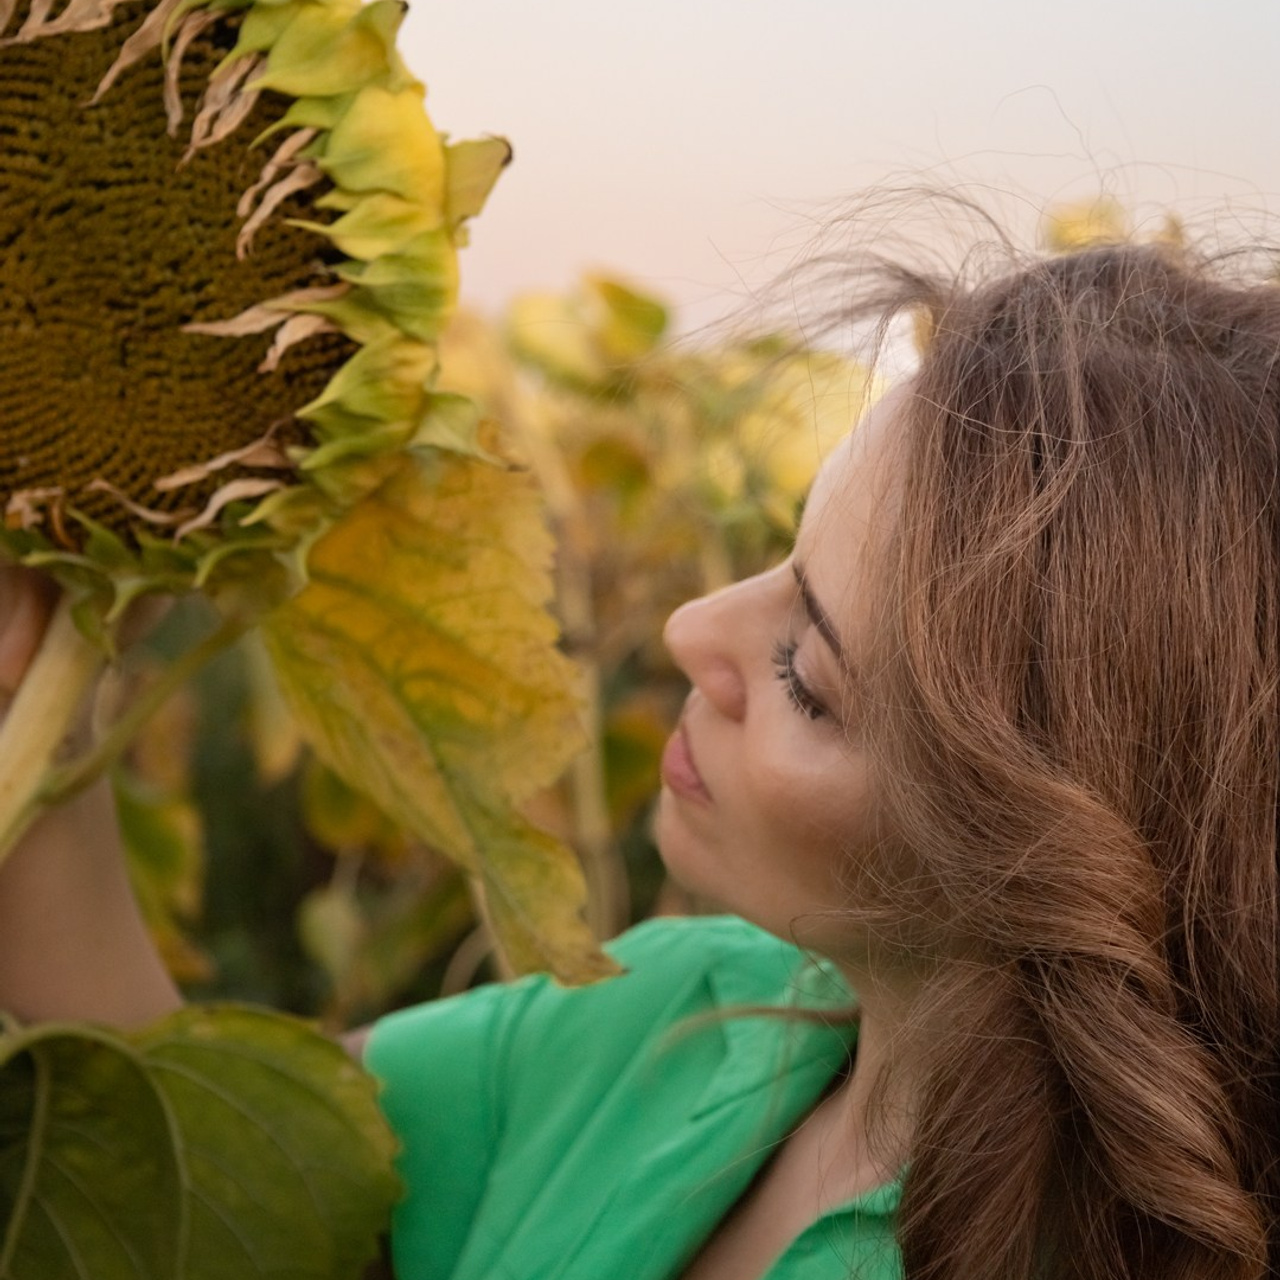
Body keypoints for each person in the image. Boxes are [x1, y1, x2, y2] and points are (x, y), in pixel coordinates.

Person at [1, 235, 1278, 1280]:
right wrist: (44, 711)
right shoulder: (668, 1014)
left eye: (805, 676)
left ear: (1043, 858)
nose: (689, 628)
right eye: (781, 556)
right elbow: (224, 1183)